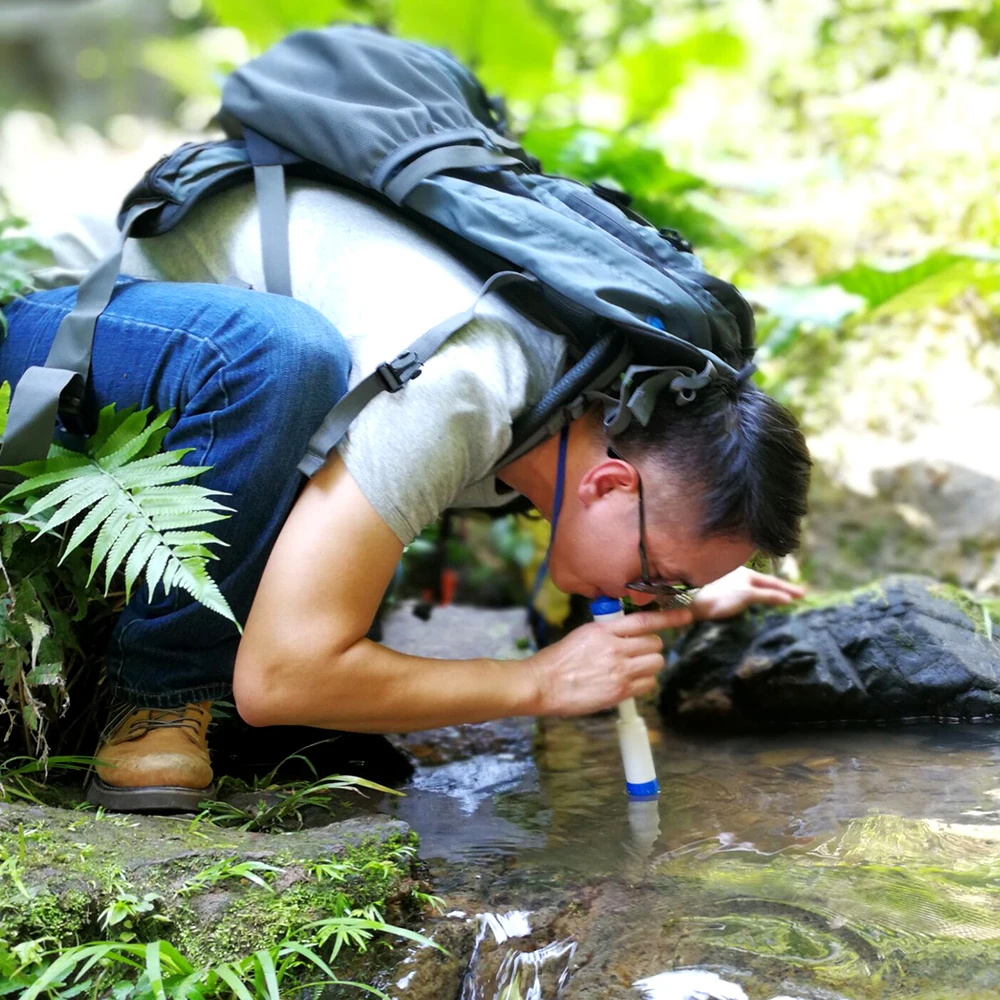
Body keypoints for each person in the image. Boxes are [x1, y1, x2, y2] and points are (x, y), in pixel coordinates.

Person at [0, 178, 810, 812]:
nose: (646, 599)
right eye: (656, 577)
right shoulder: (461, 387)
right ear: (607, 482)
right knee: (286, 358)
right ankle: (160, 696)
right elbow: (280, 679)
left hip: (168, 356)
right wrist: (536, 682)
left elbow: (624, 523)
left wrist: (689, 572)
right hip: (69, 330)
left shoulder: (588, 400)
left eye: (667, 590)